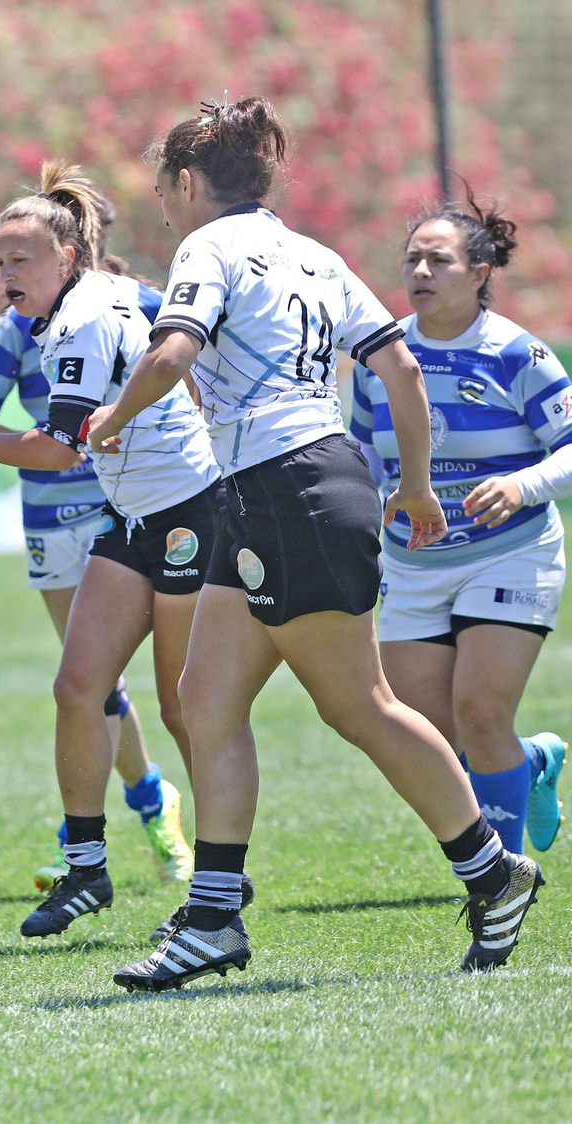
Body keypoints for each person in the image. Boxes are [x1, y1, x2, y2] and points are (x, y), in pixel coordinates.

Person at [88, 98, 543, 992]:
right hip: (285, 487)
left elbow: (172, 353)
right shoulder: (314, 254)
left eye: (164, 190)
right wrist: (410, 483)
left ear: (187, 183)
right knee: (205, 698)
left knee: (360, 706)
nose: (165, 208)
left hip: (286, 489)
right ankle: (214, 917)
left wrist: (116, 416)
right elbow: (399, 365)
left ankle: (491, 871)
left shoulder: (208, 248)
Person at [0, 162, 228, 941]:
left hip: (186, 516)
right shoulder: (61, 314)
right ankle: (88, 869)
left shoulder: (84, 318)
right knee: (78, 687)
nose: (5, 275)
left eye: (20, 259)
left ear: (67, 258)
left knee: (182, 706)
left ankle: (216, 886)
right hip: (133, 517)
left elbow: (60, 449)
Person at [350, 186, 567, 857]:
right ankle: (527, 762)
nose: (420, 272)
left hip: (511, 552)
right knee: (430, 732)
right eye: (412, 260)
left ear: (479, 275)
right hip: (412, 563)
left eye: (437, 261)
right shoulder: (379, 360)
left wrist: (525, 484)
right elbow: (357, 454)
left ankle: (502, 879)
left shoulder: (517, 356)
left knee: (480, 714)